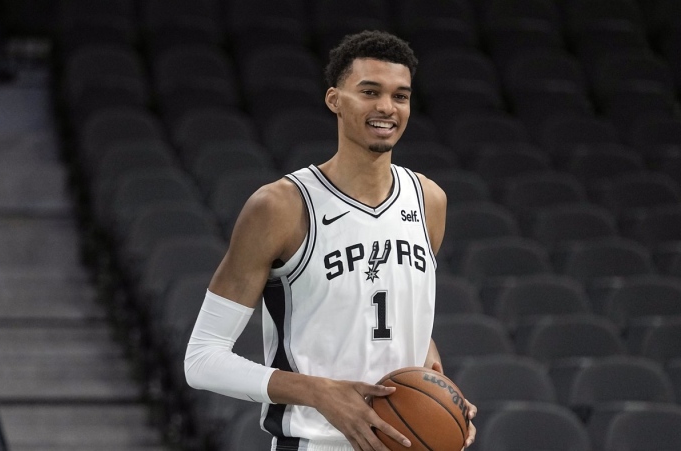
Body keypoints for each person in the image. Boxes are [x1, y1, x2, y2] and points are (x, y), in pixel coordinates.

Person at [184, 30, 477, 451]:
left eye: (400, 95)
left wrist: (436, 390)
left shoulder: (429, 201)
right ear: (334, 100)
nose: (386, 108)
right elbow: (203, 360)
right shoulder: (280, 206)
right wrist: (320, 392)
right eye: (369, 91)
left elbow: (394, 318)